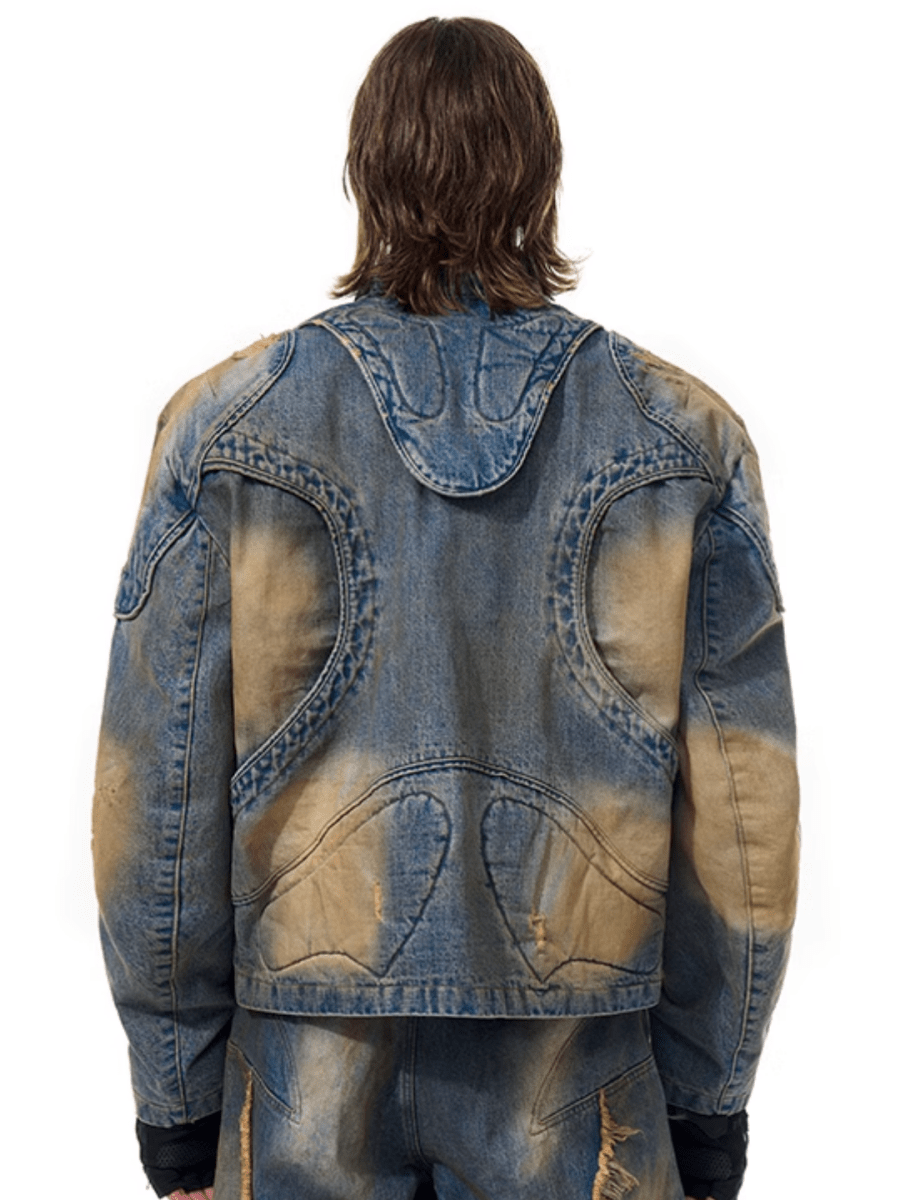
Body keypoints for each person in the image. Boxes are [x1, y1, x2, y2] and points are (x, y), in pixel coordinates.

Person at [92, 17, 799, 1200]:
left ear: (366, 171)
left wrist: (178, 1101)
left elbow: (157, 793)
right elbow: (742, 813)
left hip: (300, 1064)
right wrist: (707, 1099)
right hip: (581, 1065)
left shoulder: (223, 432)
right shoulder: (686, 440)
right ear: (542, 173)